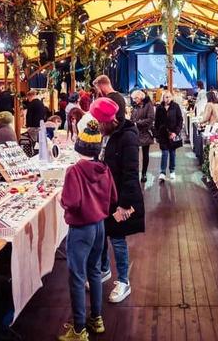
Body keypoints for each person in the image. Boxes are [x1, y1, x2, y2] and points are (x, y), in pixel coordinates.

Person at [58, 120, 118, 341]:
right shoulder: (105, 169)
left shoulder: (74, 172)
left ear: (79, 147)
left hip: (81, 228)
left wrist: (61, 200)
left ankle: (79, 329)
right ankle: (97, 318)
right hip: (99, 226)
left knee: (76, 275)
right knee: (94, 272)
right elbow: (113, 198)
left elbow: (70, 202)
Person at [90, 97, 144, 304]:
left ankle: (123, 281)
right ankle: (104, 270)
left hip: (119, 196)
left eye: (98, 121)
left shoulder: (127, 137)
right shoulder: (106, 135)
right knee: (102, 235)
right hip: (103, 196)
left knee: (118, 239)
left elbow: (131, 173)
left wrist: (123, 204)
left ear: (106, 121)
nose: (95, 125)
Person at [155, 91, 183, 182]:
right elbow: (156, 122)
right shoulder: (159, 108)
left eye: (169, 97)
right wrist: (156, 134)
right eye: (166, 97)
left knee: (172, 153)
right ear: (163, 98)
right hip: (162, 134)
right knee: (164, 153)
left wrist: (176, 132)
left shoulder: (176, 106)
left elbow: (180, 120)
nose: (167, 99)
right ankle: (162, 172)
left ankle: (172, 170)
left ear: (172, 97)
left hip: (173, 134)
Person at [130, 90, 155, 183]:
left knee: (145, 154)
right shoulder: (135, 106)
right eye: (133, 98)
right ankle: (135, 173)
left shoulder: (148, 105)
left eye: (136, 98)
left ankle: (144, 173)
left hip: (145, 133)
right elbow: (132, 118)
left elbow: (151, 118)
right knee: (134, 154)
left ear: (141, 97)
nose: (134, 100)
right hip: (135, 133)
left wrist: (138, 123)